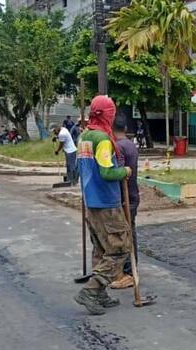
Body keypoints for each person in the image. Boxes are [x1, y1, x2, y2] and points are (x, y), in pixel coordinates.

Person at [74, 95, 132, 315]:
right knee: (120, 248)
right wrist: (124, 171)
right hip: (106, 201)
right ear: (109, 115)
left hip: (90, 200)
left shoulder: (84, 136)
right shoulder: (103, 140)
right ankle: (92, 289)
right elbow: (108, 172)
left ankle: (100, 294)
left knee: (100, 247)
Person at [111, 123, 140, 290]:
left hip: (125, 197)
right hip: (132, 195)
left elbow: (120, 173)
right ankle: (130, 269)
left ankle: (129, 273)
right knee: (130, 232)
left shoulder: (119, 147)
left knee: (125, 235)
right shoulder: (130, 144)